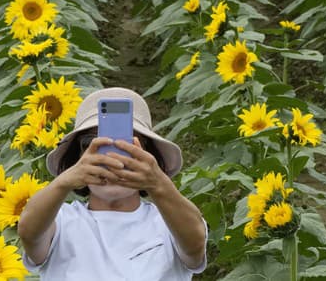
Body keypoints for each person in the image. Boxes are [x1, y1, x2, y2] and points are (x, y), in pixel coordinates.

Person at [18, 86, 208, 279]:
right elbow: (29, 233)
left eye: (127, 145)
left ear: (149, 156)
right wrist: (63, 183)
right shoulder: (60, 220)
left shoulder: (168, 222)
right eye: (93, 144)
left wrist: (158, 184)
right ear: (77, 158)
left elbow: (195, 245)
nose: (111, 158)